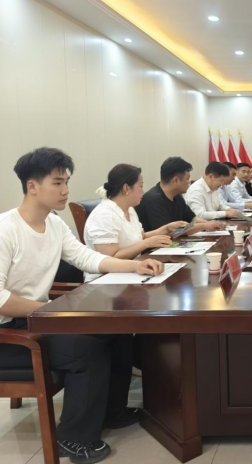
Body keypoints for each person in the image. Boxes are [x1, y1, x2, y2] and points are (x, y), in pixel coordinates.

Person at [0, 147, 163, 464]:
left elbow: (86, 257)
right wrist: (46, 310)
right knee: (85, 348)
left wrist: (135, 266)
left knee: (117, 334)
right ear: (32, 186)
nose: (65, 190)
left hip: (39, 318)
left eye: (66, 182)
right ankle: (73, 439)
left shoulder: (54, 224)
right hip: (11, 333)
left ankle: (113, 411)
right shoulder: (6, 229)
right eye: (57, 183)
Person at [83, 164, 187, 277]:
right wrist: (146, 244)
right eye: (140, 186)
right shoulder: (104, 215)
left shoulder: (130, 209)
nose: (143, 191)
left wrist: (166, 228)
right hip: (105, 279)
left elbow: (140, 236)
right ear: (126, 188)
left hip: (133, 270)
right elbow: (109, 259)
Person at [136, 156, 222, 233]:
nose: (189, 182)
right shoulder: (153, 200)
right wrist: (203, 226)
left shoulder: (176, 196)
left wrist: (208, 224)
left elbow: (192, 218)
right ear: (176, 180)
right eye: (187, 179)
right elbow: (171, 233)